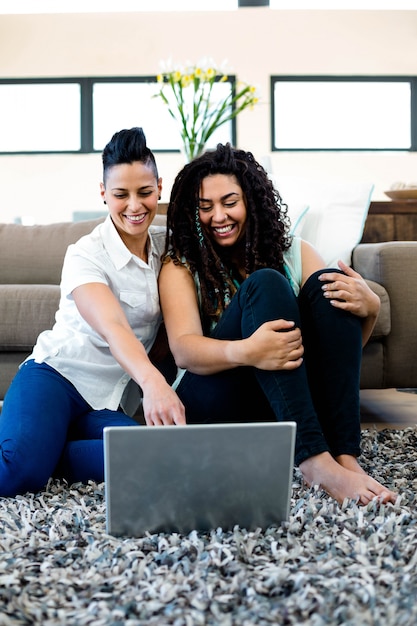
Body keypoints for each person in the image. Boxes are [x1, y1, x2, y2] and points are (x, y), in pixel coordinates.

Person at [159, 143, 397, 506]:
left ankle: (345, 457)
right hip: (212, 400)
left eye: (229, 202)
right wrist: (249, 351)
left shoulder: (296, 252)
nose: (218, 216)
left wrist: (371, 309)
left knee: (328, 283)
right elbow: (184, 350)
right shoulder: (181, 264)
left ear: (251, 201)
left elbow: (336, 354)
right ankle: (315, 462)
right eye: (205, 207)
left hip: (280, 400)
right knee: (267, 284)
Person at [0, 127, 185, 497]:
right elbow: (114, 327)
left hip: (104, 400)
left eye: (145, 192)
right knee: (18, 475)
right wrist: (153, 383)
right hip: (55, 378)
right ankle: (33, 447)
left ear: (160, 187)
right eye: (121, 194)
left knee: (153, 455)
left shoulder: (170, 246)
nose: (135, 206)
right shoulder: (85, 253)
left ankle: (45, 444)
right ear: (103, 194)